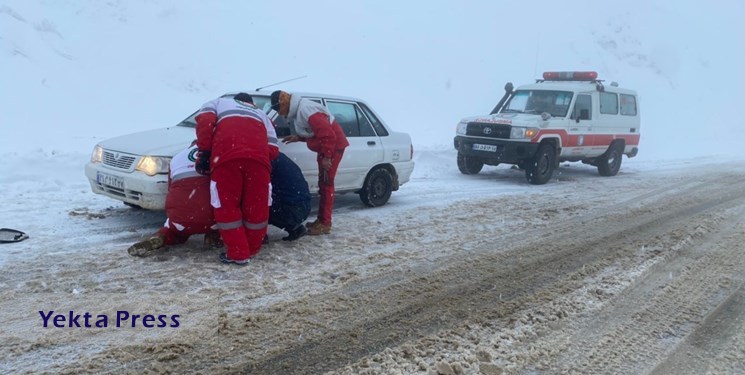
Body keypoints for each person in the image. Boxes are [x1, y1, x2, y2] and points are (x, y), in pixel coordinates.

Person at [195, 92, 279, 265]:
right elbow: (273, 148)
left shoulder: (218, 102)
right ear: (251, 102)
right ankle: (253, 247)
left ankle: (238, 253)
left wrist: (205, 151)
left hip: (226, 159)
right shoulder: (261, 114)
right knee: (257, 206)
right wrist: (253, 152)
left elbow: (204, 123)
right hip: (259, 163)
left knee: (226, 205)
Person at [270, 90, 349, 235]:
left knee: (326, 185)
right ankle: (322, 220)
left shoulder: (306, 110)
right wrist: (299, 138)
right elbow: (316, 133)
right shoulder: (300, 109)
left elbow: (328, 135)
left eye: (278, 109)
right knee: (323, 184)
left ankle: (325, 223)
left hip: (332, 147)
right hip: (327, 148)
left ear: (284, 103)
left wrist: (327, 157)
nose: (280, 114)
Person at [127, 142, 222, 257]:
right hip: (211, 215)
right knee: (226, 217)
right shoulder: (219, 154)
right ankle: (213, 235)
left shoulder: (177, 157)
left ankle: (161, 237)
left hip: (181, 213)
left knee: (174, 230)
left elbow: (170, 188)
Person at [270, 152, 311, 241]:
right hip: (302, 205)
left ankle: (258, 235)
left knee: (257, 201)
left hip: (293, 209)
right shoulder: (276, 155)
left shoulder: (268, 159)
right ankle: (295, 227)